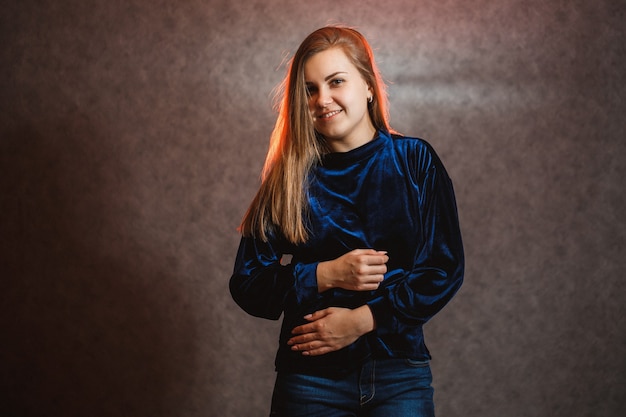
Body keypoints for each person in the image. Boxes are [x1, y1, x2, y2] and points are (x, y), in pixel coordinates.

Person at [229, 25, 464, 417]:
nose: (323, 99)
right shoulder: (290, 177)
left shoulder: (414, 161)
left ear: (369, 85)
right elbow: (248, 284)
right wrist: (325, 274)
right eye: (310, 89)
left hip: (399, 375)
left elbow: (443, 268)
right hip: (309, 382)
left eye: (336, 81)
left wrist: (363, 320)